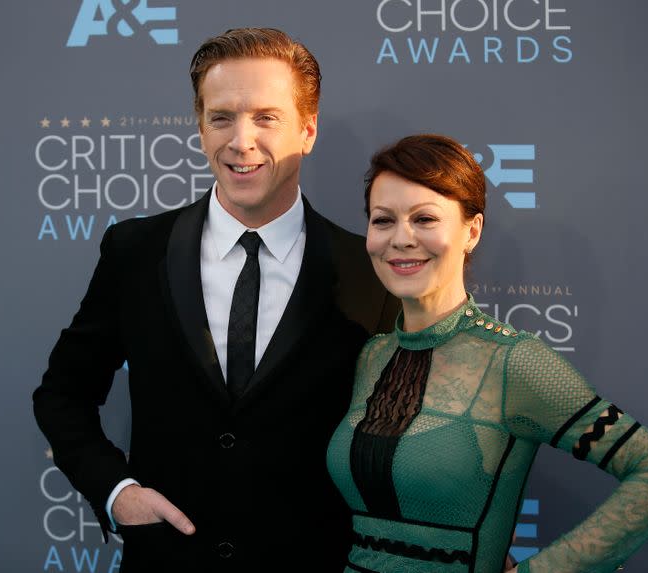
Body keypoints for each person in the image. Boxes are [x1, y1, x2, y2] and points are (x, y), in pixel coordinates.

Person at [33, 28, 398, 572]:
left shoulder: (371, 273)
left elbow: (401, 439)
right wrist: (116, 492)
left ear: (308, 129)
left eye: (266, 118)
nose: (240, 141)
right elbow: (63, 393)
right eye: (221, 117)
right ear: (201, 128)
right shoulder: (135, 253)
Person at [326, 134, 648, 573]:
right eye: (383, 221)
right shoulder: (373, 356)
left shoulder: (513, 361)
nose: (401, 239)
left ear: (471, 231)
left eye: (424, 219)